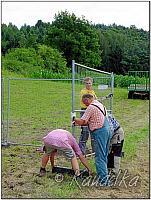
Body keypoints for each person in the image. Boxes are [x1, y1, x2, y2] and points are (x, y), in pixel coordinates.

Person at [73, 94, 112, 186]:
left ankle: (104, 181)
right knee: (104, 154)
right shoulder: (100, 105)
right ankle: (105, 176)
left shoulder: (91, 107)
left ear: (88, 100)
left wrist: (74, 119)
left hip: (100, 132)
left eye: (85, 102)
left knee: (99, 156)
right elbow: (91, 121)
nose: (85, 105)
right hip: (107, 130)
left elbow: (83, 121)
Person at [79, 77, 97, 155]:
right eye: (87, 83)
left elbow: (95, 99)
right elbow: (88, 99)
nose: (88, 85)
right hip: (85, 110)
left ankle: (94, 151)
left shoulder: (92, 91)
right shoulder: (83, 91)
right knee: (85, 131)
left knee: (93, 130)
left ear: (92, 83)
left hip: (92, 110)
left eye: (89, 83)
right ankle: (81, 151)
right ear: (84, 84)